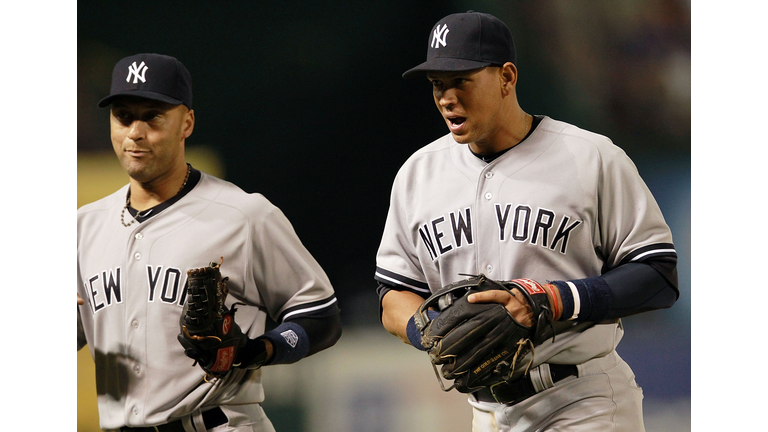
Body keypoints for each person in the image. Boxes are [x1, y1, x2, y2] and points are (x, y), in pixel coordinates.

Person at [374, 11, 678, 432]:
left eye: (461, 80)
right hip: (487, 413)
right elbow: (394, 294)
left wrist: (550, 300)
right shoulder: (417, 174)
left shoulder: (591, 157)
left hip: (582, 402)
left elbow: (657, 274)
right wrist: (429, 330)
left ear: (507, 77)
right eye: (437, 84)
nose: (447, 97)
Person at [77, 53, 342, 432]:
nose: (135, 132)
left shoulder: (242, 215)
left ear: (187, 123)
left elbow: (321, 317)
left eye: (153, 116)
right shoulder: (85, 226)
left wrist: (257, 350)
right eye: (123, 116)